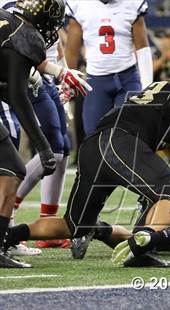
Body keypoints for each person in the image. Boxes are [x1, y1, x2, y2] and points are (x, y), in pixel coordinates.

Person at [5, 58, 170, 263]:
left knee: (75, 224)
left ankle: (7, 236)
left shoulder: (163, 95)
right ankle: (141, 248)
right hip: (120, 142)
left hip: (94, 146)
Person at [0, 0, 89, 268]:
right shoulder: (25, 35)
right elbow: (17, 96)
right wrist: (43, 147)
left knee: (11, 167)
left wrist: (57, 72)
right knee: (12, 169)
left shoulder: (6, 18)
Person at [65, 0, 153, 135]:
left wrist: (148, 88)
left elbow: (142, 48)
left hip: (128, 77)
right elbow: (72, 51)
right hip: (95, 81)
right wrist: (67, 85)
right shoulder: (79, 4)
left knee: (130, 133)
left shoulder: (132, 3)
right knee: (93, 136)